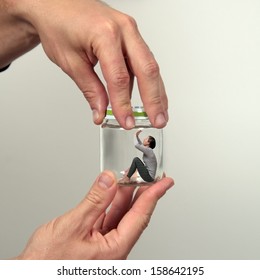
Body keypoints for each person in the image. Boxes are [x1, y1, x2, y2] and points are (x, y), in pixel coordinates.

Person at [1, 0, 174, 259]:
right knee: (135, 160)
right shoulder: (146, 150)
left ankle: (128, 172)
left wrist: (30, 8)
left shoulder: (148, 153)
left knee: (136, 160)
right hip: (145, 172)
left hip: (147, 174)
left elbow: (139, 145)